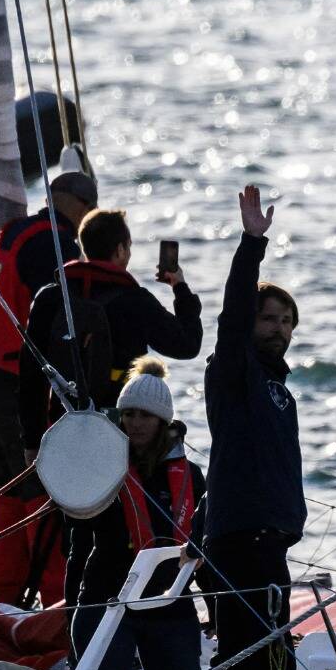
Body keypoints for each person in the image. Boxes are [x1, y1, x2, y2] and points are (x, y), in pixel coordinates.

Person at [14, 205, 205, 607]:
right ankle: (137, 612)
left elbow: (30, 375)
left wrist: (32, 440)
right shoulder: (133, 299)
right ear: (121, 250)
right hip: (124, 434)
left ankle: (76, 629)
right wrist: (179, 288)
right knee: (123, 531)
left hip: (69, 428)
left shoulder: (52, 296)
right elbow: (188, 344)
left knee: (79, 534)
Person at [188, 185, 306, 670]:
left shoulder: (278, 390)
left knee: (269, 658)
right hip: (238, 542)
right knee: (248, 658)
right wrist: (251, 244)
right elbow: (234, 311)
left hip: (268, 544)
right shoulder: (234, 372)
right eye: (269, 317)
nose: (278, 327)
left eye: (287, 321)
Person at [63, 359, 205, 670]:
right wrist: (73, 615)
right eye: (127, 414)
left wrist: (216, 612)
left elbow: (202, 556)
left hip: (170, 604)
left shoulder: (192, 476)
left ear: (163, 421)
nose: (134, 422)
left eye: (143, 415)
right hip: (108, 602)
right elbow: (76, 548)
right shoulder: (100, 470)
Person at [0, 168, 96, 606]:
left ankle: (3, 598)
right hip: (17, 381)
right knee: (43, 495)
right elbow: (59, 318)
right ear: (82, 207)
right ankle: (54, 601)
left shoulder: (18, 231)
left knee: (6, 496)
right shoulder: (55, 243)